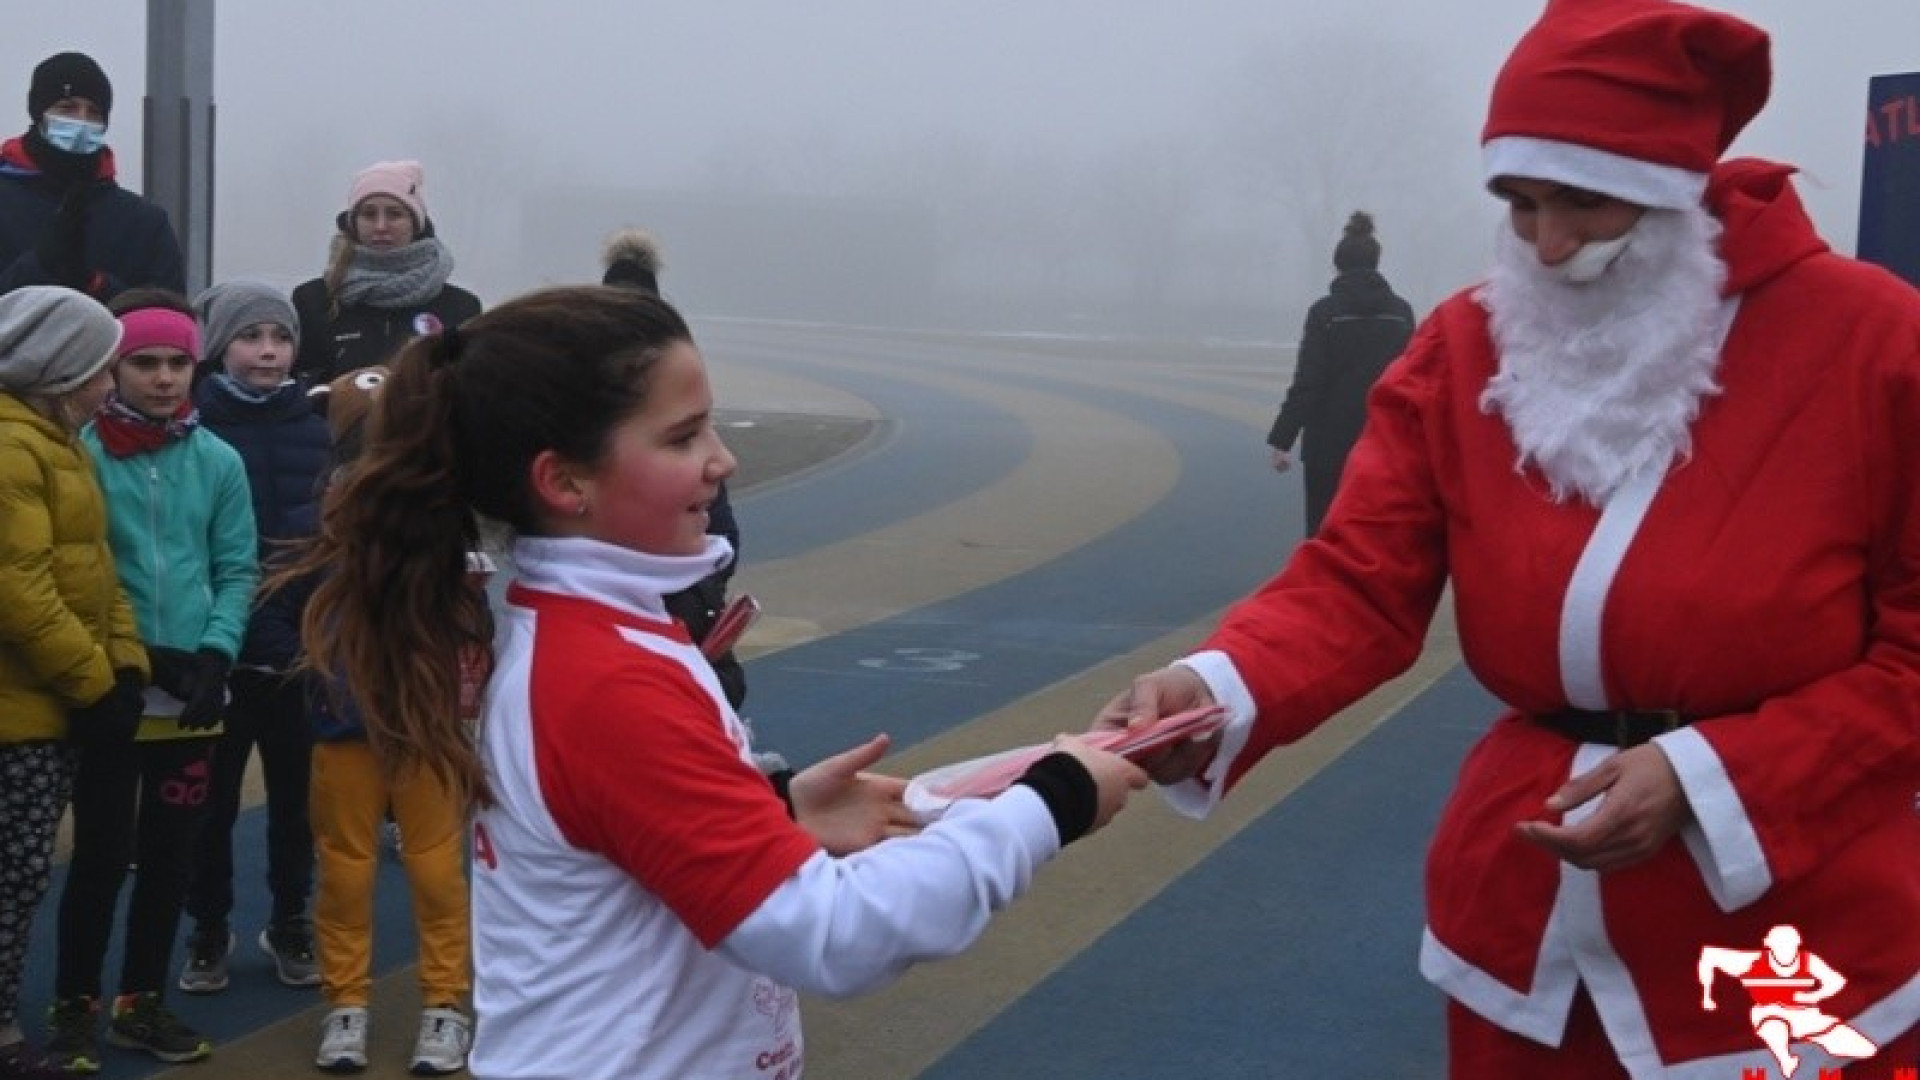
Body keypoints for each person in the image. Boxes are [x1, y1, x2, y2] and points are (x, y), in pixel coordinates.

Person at [1096, 1, 1919, 1076]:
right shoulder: (1465, 342)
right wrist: (1216, 687)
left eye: (1585, 202)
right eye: (1519, 203)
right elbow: (1358, 583)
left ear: (1676, 188)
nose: (1548, 245)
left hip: (1792, 925)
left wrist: (1715, 776)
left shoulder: (1874, 343)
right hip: (1522, 920)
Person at [272, 284, 1147, 1080]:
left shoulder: (588, 628)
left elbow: (616, 828)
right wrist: (1054, 803)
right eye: (683, 436)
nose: (723, 461)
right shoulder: (604, 680)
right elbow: (831, 937)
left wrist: (770, 810)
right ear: (564, 480)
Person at [45, 289, 256, 1071]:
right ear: (113, 367)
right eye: (145, 362)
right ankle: (74, 1004)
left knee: (173, 855)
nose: (165, 378)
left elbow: (238, 567)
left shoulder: (219, 460)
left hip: (195, 694)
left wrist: (217, 652)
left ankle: (142, 1002)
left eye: (178, 362)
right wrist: (131, 659)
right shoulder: (82, 455)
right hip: (111, 690)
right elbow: (78, 577)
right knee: (101, 853)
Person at [289, 363, 479, 1076]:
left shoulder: (442, 511)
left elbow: (470, 610)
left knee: (435, 872)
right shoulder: (320, 517)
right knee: (344, 871)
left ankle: (444, 1005)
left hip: (424, 722)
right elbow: (288, 603)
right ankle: (346, 1003)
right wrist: (307, 665)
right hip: (344, 720)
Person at [0, 286, 145, 1080]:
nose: (110, 384)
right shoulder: (12, 449)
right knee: (11, 879)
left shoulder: (60, 445)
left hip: (49, 702)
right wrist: (93, 684)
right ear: (60, 372)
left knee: (19, 881)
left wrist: (124, 663)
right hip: (17, 714)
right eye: (102, 368)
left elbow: (96, 572)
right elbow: (18, 591)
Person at [178, 282, 328, 995]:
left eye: (281, 337)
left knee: (298, 800)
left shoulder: (315, 424)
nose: (268, 352)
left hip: (299, 648)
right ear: (219, 346)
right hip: (219, 648)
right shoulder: (191, 424)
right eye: (250, 337)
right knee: (210, 803)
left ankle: (290, 916)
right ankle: (208, 926)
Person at [601, 228, 750, 711]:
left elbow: (721, 523)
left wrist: (708, 580)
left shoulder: (676, 397)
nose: (723, 461)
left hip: (689, 615)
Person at [1265, 210, 1414, 537]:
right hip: (1384, 443)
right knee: (1378, 536)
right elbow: (1412, 382)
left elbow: (1309, 381)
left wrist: (1282, 438)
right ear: (1376, 263)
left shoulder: (1324, 313)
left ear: (1338, 266)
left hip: (1327, 446)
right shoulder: (1402, 314)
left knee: (1325, 534)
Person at [0, 52, 185, 301]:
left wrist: (94, 284)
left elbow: (168, 324)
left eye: (94, 113)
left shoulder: (144, 224)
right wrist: (39, 266)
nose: (81, 121)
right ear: (38, 112)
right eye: (67, 108)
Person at [291, 160, 480, 385]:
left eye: (394, 214)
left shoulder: (461, 307)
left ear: (415, 224)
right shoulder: (313, 301)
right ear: (354, 224)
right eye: (369, 215)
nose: (381, 226)